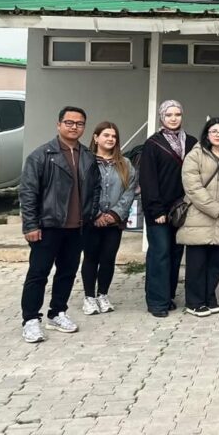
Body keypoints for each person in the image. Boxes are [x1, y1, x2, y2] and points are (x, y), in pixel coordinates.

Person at [19, 106, 101, 342]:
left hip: (77, 228)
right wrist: (31, 225)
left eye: (79, 123)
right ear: (59, 125)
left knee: (67, 272)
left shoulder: (87, 156)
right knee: (38, 273)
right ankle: (31, 319)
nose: (74, 127)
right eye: (69, 122)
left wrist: (90, 215)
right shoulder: (42, 155)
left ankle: (57, 313)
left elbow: (95, 190)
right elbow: (28, 193)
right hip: (48, 226)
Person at [177, 117, 219, 317]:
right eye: (214, 131)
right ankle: (194, 301)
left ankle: (209, 296)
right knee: (197, 263)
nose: (218, 134)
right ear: (207, 133)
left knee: (216, 264)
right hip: (198, 218)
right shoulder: (195, 155)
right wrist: (215, 208)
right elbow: (192, 187)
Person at [139, 99, 196, 317]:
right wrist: (156, 211)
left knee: (174, 253)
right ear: (162, 117)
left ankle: (168, 295)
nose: (174, 118)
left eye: (178, 114)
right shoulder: (153, 144)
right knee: (159, 254)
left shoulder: (191, 142)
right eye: (169, 115)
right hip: (159, 211)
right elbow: (148, 180)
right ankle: (156, 302)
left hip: (182, 209)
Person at [81, 121, 137, 316]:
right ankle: (89, 297)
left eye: (114, 136)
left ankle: (103, 294)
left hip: (114, 222)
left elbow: (130, 191)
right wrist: (96, 214)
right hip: (91, 220)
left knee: (108, 258)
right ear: (96, 138)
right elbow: (82, 191)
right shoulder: (85, 161)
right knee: (91, 258)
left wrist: (114, 214)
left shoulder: (125, 164)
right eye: (106, 135)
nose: (110, 139)